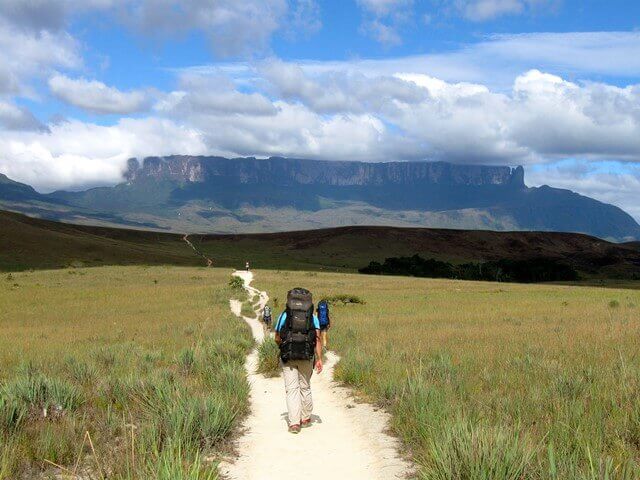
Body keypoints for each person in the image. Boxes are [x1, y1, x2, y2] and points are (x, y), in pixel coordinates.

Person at [274, 288, 323, 434]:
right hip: (307, 356)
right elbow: (318, 339)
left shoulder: (284, 315)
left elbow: (276, 337)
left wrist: (282, 346)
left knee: (292, 389)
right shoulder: (312, 317)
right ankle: (306, 418)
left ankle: (294, 423)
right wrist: (319, 358)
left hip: (288, 357)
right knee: (305, 386)